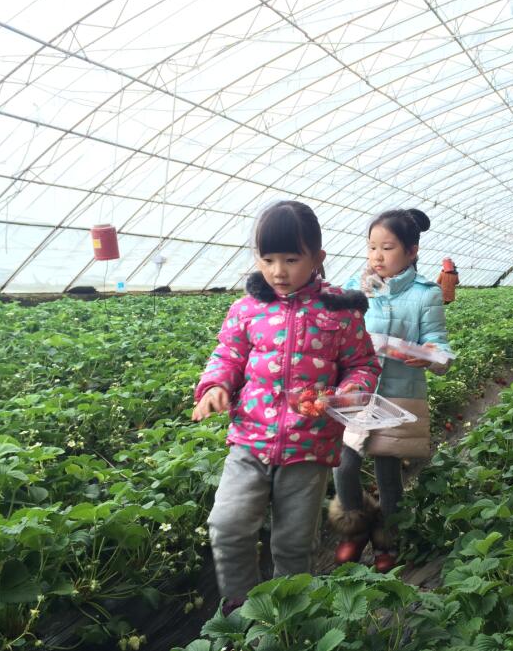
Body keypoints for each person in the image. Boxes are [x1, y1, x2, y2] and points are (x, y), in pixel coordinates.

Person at [192, 201, 381, 614]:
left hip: (308, 446)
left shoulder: (340, 310)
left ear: (317, 258)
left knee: (294, 543)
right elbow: (227, 355)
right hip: (250, 440)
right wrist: (216, 386)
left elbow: (363, 364)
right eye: (268, 259)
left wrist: (348, 391)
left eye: (291, 260)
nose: (278, 271)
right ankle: (241, 608)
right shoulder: (246, 308)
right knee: (227, 525)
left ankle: (290, 616)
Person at [330, 208, 452, 573]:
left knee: (388, 472)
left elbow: (438, 343)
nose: (377, 256)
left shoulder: (426, 294)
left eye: (387, 248)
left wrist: (430, 355)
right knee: (343, 465)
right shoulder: (356, 285)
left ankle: (388, 539)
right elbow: (335, 326)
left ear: (412, 251)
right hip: (356, 391)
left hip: (398, 394)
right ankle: (354, 528)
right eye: (372, 248)